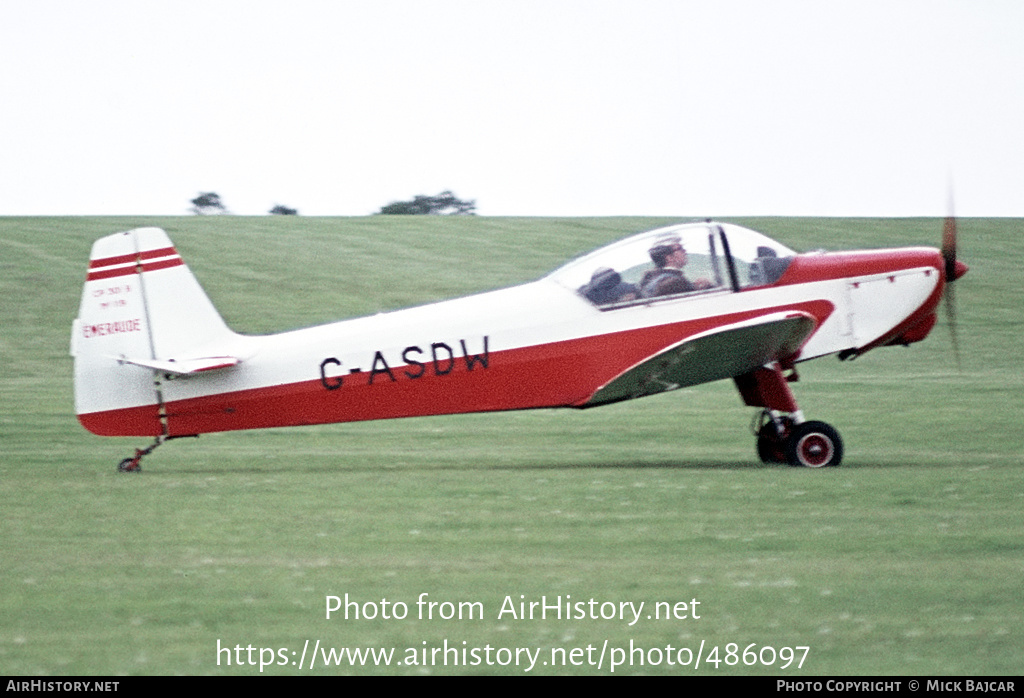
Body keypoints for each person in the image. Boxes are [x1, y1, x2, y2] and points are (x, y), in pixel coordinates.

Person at [639, 236, 711, 297]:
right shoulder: (676, 283)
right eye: (680, 248)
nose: (684, 251)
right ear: (669, 257)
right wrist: (707, 288)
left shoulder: (649, 279)